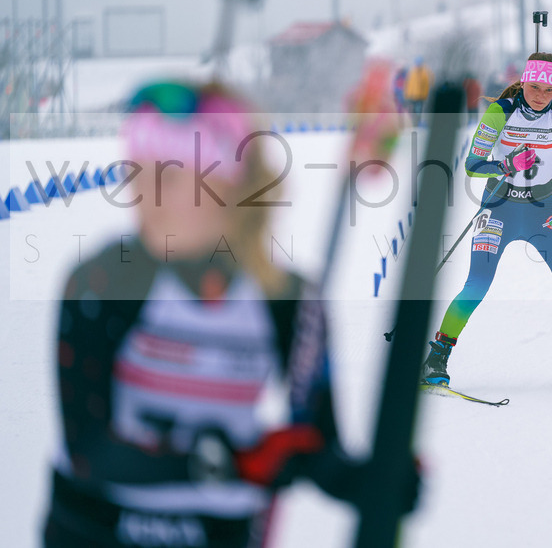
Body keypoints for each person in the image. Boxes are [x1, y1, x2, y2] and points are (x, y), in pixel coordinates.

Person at [43, 81, 415, 548]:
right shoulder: (103, 282)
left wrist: (379, 484)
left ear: (228, 187)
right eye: (136, 173)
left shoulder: (289, 301)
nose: (143, 194)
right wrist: (229, 462)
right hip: (96, 532)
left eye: (169, 177)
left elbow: (319, 450)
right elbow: (89, 450)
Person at [422, 52, 552, 386]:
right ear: (523, 81)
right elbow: (472, 164)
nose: (540, 96)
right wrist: (505, 166)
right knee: (476, 285)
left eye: (548, 90)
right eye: (534, 87)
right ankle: (437, 356)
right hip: (498, 207)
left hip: (542, 210)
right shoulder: (500, 111)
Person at [403, 57, 432, 126]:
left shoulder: (424, 73)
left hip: (420, 97)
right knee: (412, 111)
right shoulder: (412, 72)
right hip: (412, 96)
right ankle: (412, 123)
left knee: (418, 111)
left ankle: (417, 123)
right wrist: (407, 94)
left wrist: (424, 95)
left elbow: (426, 86)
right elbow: (408, 84)